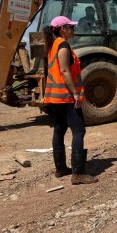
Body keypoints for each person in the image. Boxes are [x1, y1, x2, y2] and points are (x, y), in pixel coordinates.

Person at [43, 16, 98, 185]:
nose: (73, 29)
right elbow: (65, 71)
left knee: (59, 128)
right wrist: (75, 93)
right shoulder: (63, 46)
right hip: (65, 96)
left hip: (54, 96)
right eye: (71, 27)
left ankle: (61, 169)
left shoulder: (53, 45)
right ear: (63, 29)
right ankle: (78, 174)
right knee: (79, 131)